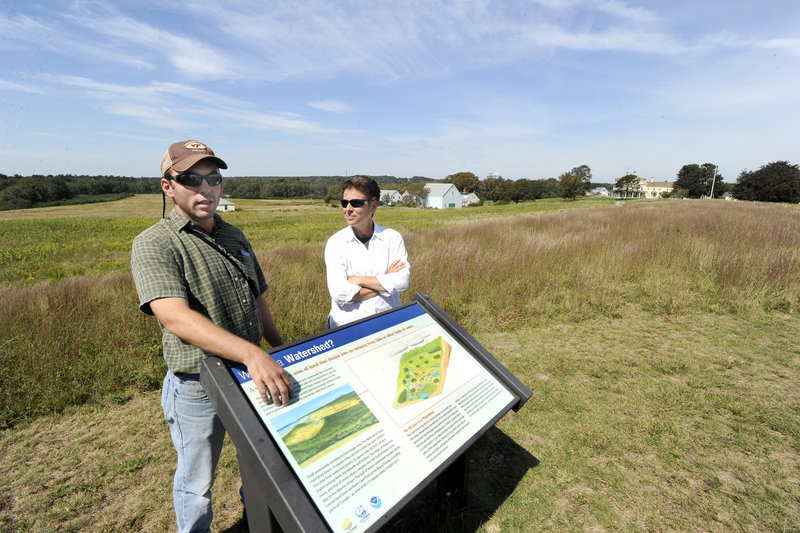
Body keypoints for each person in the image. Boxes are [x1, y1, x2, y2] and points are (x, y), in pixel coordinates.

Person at [131, 140, 294, 533]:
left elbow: (259, 300)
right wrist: (253, 355)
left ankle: (257, 520)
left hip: (249, 377)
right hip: (197, 385)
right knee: (196, 482)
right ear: (168, 186)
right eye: (191, 179)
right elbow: (175, 318)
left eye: (213, 179)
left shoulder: (235, 236)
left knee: (258, 462)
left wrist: (279, 349)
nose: (205, 189)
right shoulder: (154, 242)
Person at [325, 175, 410, 328]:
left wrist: (358, 280)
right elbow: (339, 294)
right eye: (344, 203)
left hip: (389, 324)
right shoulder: (335, 243)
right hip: (348, 328)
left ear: (373, 206)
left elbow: (402, 281)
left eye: (356, 203)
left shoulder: (392, 238)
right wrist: (386, 281)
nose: (348, 209)